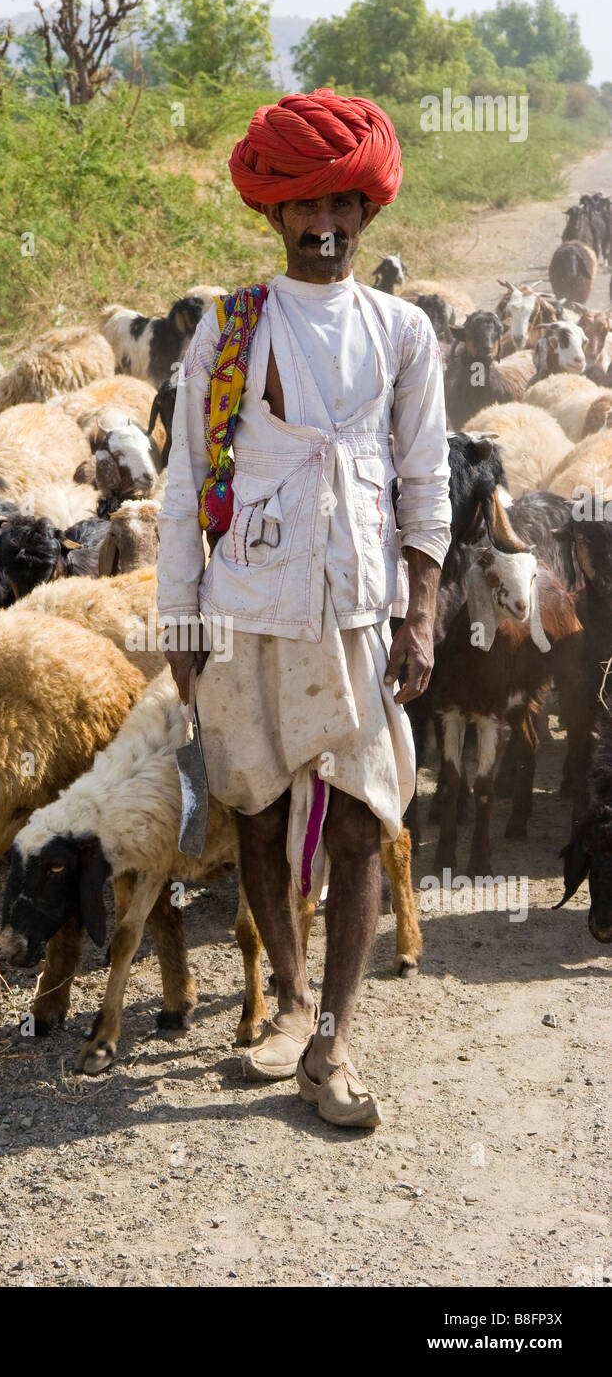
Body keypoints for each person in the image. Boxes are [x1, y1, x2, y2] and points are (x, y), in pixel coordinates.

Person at [155, 89, 451, 1129]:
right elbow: (186, 484)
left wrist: (419, 612)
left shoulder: (400, 332)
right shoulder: (227, 331)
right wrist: (178, 622)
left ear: (364, 215)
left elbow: (425, 482)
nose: (322, 227)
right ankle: (283, 999)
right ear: (273, 214)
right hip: (242, 606)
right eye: (302, 208)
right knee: (257, 807)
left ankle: (331, 1041)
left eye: (340, 207)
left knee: (365, 820)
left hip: (360, 607)